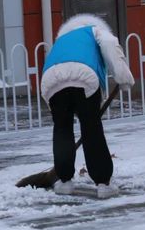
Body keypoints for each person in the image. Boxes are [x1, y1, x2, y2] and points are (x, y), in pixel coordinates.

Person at [40, 14, 135, 198]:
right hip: (84, 76)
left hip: (50, 81)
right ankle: (103, 183)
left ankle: (64, 181)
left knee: (62, 128)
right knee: (91, 128)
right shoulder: (94, 31)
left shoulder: (62, 40)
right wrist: (123, 78)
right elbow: (110, 44)